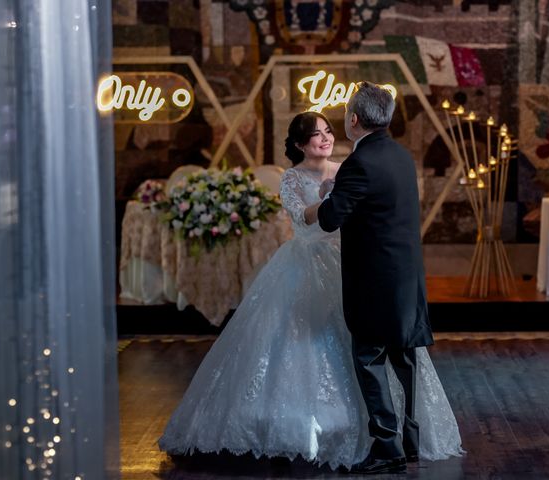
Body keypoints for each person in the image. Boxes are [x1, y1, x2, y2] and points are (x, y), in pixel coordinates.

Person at [158, 111, 463, 471]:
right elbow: (302, 218)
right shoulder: (291, 177)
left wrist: (336, 199)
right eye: (315, 134)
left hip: (351, 262)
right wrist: (325, 202)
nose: (325, 138)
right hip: (304, 261)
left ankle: (392, 431)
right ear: (300, 144)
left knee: (371, 341)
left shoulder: (349, 167)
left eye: (328, 131)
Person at [318, 82, 435, 474]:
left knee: (369, 358)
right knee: (406, 358)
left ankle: (387, 446)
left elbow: (331, 218)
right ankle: (411, 441)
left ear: (353, 119)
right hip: (406, 276)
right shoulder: (402, 156)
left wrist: (328, 195)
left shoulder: (359, 163)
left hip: (373, 280)